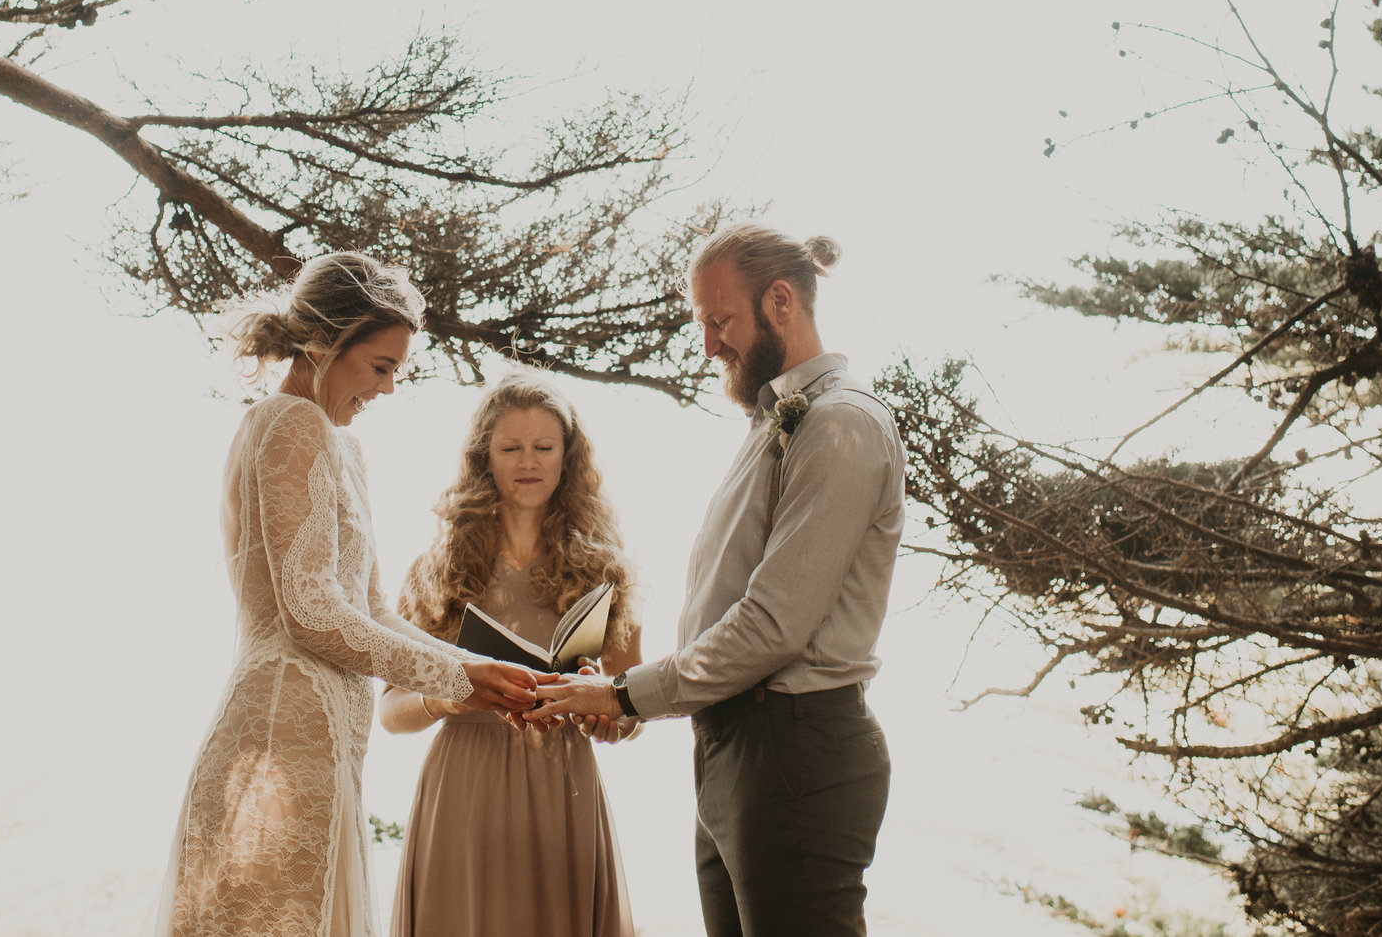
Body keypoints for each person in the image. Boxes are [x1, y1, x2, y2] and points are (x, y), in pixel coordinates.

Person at [150, 253, 543, 937]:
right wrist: (459, 674)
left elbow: (373, 611)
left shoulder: (342, 447)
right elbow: (310, 611)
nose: (387, 389)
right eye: (380, 367)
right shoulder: (288, 422)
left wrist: (487, 670)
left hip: (329, 745)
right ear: (324, 343)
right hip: (280, 733)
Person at [527, 224, 902, 937]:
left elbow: (773, 622)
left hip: (794, 750)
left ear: (781, 301)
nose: (708, 344)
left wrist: (625, 694)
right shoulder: (775, 422)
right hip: (738, 744)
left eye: (719, 319)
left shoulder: (840, 424)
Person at [379, 378, 643, 937]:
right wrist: (446, 697)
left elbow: (634, 706)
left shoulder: (607, 573)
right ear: (484, 459)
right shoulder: (437, 571)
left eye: (544, 448)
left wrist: (610, 713)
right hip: (463, 792)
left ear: (568, 459)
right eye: (510, 448)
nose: (528, 462)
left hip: (562, 790)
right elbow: (389, 711)